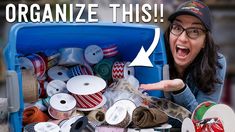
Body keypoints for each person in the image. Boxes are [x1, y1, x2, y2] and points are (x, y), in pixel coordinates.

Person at [140, 0, 226, 113]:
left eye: (195, 31)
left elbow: (203, 119)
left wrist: (181, 90)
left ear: (205, 41)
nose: (182, 38)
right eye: (177, 27)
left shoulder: (216, 63)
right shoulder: (152, 56)